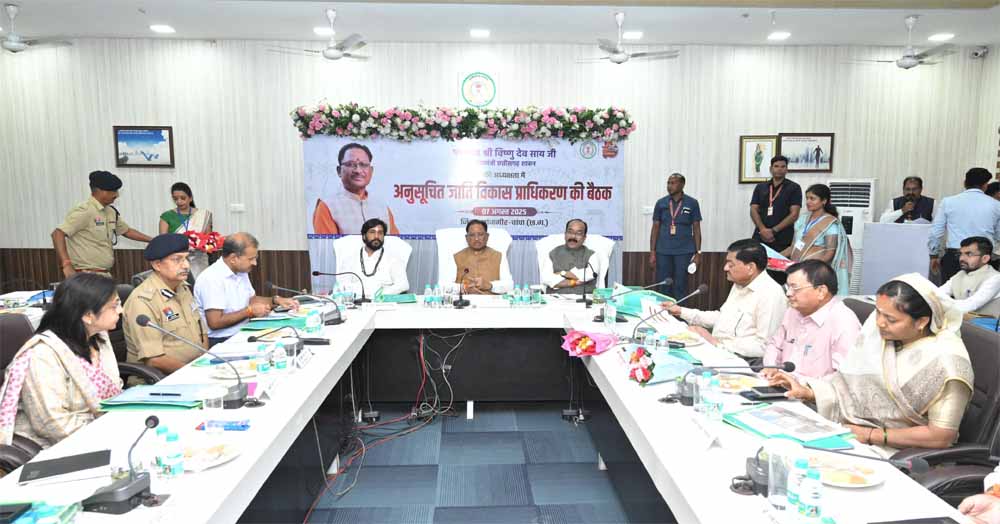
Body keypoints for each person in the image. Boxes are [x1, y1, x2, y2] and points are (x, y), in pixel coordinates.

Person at [769, 274, 974, 453]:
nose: (879, 323)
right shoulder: (884, 337)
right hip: (853, 433)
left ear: (921, 322)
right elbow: (851, 392)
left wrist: (870, 435)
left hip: (897, 450)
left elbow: (941, 436)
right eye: (878, 312)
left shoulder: (947, 362)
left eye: (891, 319)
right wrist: (808, 392)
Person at [0, 273, 123, 449]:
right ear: (88, 316)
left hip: (104, 427)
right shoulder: (42, 355)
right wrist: (109, 436)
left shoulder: (98, 338)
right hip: (58, 445)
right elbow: (52, 424)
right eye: (114, 306)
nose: (120, 311)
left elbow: (115, 390)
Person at [660, 239, 786, 360]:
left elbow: (765, 346)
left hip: (744, 361)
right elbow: (722, 318)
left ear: (751, 268)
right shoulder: (740, 283)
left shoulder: (770, 294)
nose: (725, 268)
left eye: (731, 264)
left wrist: (716, 343)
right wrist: (680, 311)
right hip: (719, 351)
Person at [123, 234, 208, 374]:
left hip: (194, 369)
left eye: (186, 258)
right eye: (177, 259)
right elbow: (154, 359)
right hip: (161, 379)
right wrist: (195, 373)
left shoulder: (183, 288)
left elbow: (202, 334)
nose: (186, 265)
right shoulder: (142, 301)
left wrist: (205, 363)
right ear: (157, 265)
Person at [193, 232, 298, 346]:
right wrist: (249, 311)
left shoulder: (240, 271)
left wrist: (276, 300)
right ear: (233, 258)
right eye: (251, 259)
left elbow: (251, 300)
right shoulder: (212, 278)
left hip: (243, 331)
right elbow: (215, 322)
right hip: (222, 340)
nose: (255, 263)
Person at [761, 260, 862, 379]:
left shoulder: (844, 322)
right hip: (781, 381)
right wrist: (771, 367)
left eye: (795, 288)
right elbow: (775, 345)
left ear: (821, 291)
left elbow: (844, 378)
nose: (788, 293)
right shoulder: (793, 311)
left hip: (814, 389)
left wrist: (805, 386)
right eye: (788, 287)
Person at [51, 170, 152, 277]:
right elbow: (57, 234)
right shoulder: (85, 211)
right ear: (100, 191)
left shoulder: (110, 211)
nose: (117, 195)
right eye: (113, 191)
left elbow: (127, 231)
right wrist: (66, 264)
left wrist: (153, 240)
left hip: (104, 273)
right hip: (86, 274)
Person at [929, 168, 1000, 283]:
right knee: (981, 292)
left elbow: (935, 232)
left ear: (965, 183)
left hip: (955, 256)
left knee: (951, 291)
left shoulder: (948, 202)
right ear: (985, 185)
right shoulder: (996, 205)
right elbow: (998, 235)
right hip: (982, 258)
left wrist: (933, 255)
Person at [312, 142, 399, 235]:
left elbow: (395, 241)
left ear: (371, 171)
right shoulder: (328, 206)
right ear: (339, 171)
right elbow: (327, 244)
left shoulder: (382, 207)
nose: (358, 170)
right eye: (350, 164)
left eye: (363, 165)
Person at [783, 184, 852, 295]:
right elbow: (793, 247)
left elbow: (830, 253)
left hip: (815, 275)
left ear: (824, 201)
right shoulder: (802, 219)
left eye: (812, 198)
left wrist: (811, 269)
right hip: (797, 270)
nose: (808, 202)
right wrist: (774, 257)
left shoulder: (830, 224)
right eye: (807, 198)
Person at [750, 155, 802, 284]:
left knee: (779, 275)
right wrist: (763, 229)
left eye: (783, 166)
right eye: (776, 166)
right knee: (757, 271)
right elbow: (753, 210)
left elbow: (794, 214)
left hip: (782, 238)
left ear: (787, 169)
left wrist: (773, 231)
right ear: (771, 169)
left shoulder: (794, 188)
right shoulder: (761, 187)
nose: (779, 169)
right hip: (760, 236)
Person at [649, 173, 702, 298]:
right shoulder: (661, 203)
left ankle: (679, 310)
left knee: (680, 285)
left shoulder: (692, 203)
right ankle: (662, 310)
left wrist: (698, 253)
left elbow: (696, 228)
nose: (669, 186)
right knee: (664, 285)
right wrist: (652, 252)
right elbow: (655, 228)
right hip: (663, 251)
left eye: (673, 183)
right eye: (668, 183)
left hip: (684, 251)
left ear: (682, 184)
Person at [338, 218, 409, 296]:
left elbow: (403, 285)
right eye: (372, 232)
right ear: (364, 236)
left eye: (380, 233)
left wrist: (379, 295)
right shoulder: (350, 259)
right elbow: (343, 285)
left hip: (383, 301)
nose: (376, 236)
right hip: (356, 300)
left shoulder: (393, 259)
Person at [158, 182, 213, 279]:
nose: (179, 201)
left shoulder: (204, 215)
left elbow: (208, 240)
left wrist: (200, 245)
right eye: (175, 199)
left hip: (199, 260)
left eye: (183, 198)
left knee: (199, 285)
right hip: (176, 260)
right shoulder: (167, 216)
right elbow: (163, 241)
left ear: (190, 198)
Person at [936, 237, 1000, 317]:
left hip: (986, 324)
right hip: (962, 322)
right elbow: (937, 294)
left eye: (969, 254)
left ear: (985, 258)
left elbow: (968, 306)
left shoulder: (995, 278)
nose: (961, 258)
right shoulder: (960, 275)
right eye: (960, 254)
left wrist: (940, 303)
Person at [540, 219, 602, 295]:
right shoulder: (553, 253)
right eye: (570, 232)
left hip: (584, 297)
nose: (573, 236)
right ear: (565, 234)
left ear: (584, 238)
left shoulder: (591, 255)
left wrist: (562, 273)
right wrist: (574, 282)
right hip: (556, 298)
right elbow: (546, 278)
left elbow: (590, 274)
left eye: (578, 233)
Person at [453, 220, 512, 295]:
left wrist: (490, 285)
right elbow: (444, 285)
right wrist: (463, 288)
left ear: (487, 236)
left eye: (480, 234)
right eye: (472, 235)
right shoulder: (456, 257)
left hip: (491, 301)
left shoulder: (499, 256)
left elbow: (509, 285)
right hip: (464, 300)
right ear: (467, 238)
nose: (476, 238)